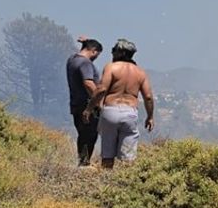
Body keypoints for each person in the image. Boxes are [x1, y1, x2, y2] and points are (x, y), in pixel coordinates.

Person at [86, 38, 154, 169]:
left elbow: (101, 89)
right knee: (128, 158)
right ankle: (124, 185)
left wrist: (89, 108)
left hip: (110, 111)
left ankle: (106, 183)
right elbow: (148, 97)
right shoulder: (140, 72)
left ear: (120, 53)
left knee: (107, 154)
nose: (111, 53)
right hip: (130, 113)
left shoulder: (111, 67)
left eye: (113, 51)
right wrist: (150, 116)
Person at [66, 37, 102, 166]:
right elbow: (88, 83)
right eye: (97, 54)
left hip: (76, 104)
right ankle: (84, 163)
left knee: (82, 135)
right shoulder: (85, 63)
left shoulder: (72, 60)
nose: (96, 58)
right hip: (87, 106)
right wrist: (97, 102)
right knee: (90, 135)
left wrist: (86, 41)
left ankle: (82, 162)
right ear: (93, 51)